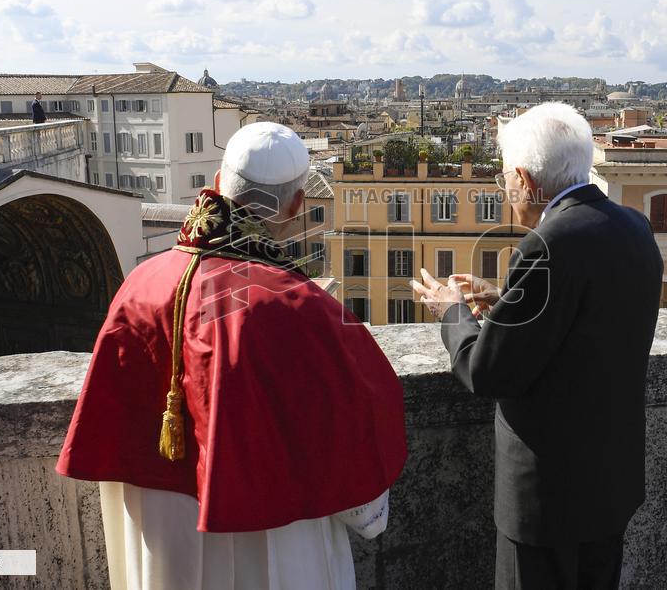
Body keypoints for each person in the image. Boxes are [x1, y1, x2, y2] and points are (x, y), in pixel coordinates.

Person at [57, 122, 407, 590]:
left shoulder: (140, 283)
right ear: (297, 206)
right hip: (274, 538)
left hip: (161, 537)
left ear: (218, 184)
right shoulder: (299, 307)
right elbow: (352, 443)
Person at [411, 102, 663, 590]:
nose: (505, 191)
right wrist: (505, 300)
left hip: (548, 495)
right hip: (611, 481)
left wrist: (451, 310)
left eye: (505, 178)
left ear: (525, 180)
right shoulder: (634, 225)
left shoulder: (546, 246)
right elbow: (584, 320)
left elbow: (488, 373)